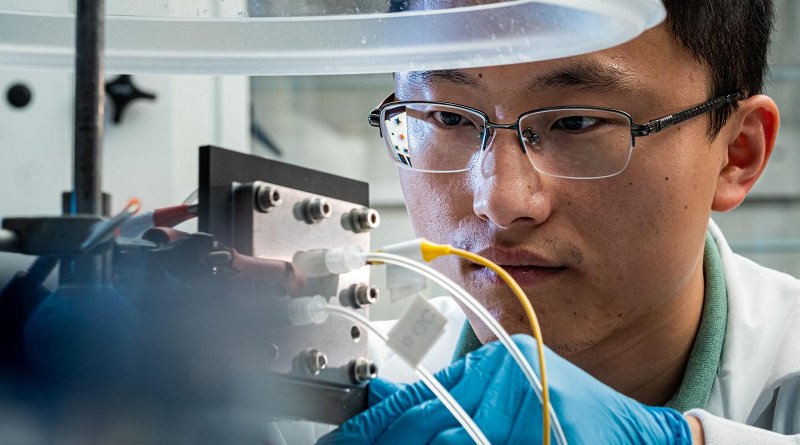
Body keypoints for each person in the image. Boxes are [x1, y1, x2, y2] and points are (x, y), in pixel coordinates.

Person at [319, 0, 800, 443]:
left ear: (738, 153)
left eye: (575, 122)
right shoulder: (369, 382)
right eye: (448, 118)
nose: (501, 200)